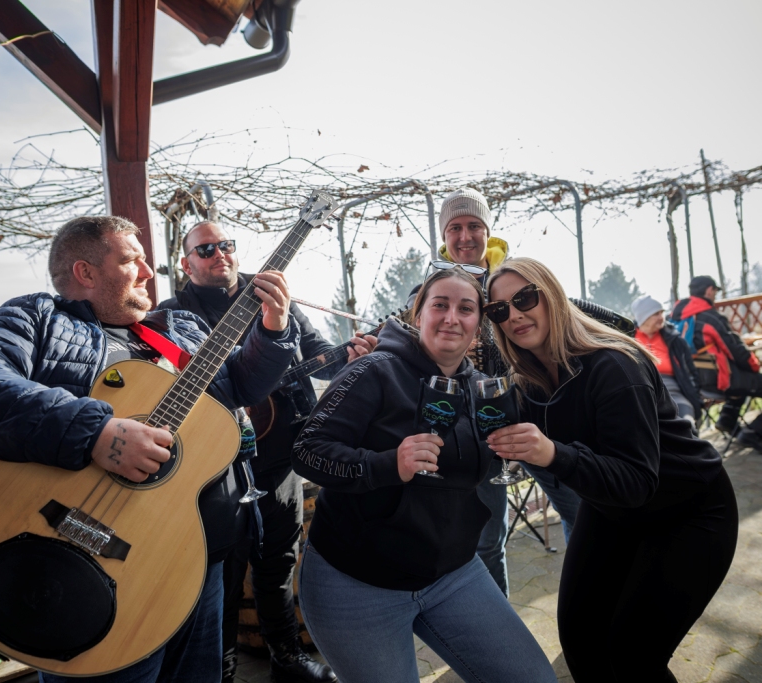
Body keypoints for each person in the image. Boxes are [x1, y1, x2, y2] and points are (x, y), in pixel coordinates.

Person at [0, 215, 300, 683]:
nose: (149, 272)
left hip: (197, 560)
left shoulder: (179, 325)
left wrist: (273, 331)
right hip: (92, 563)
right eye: (131, 260)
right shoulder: (40, 318)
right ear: (85, 273)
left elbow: (238, 385)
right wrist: (97, 433)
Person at [291, 267, 557, 683]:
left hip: (452, 574)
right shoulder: (374, 370)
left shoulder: (482, 389)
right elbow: (307, 452)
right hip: (357, 584)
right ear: (419, 315)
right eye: (440, 305)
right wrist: (386, 464)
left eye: (466, 309)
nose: (452, 317)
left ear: (478, 325)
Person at [484, 258, 738, 683]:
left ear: (553, 297)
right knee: (581, 640)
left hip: (689, 511)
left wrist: (553, 455)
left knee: (633, 656)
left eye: (525, 298)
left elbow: (637, 481)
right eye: (500, 310)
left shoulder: (614, 367)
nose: (514, 315)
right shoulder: (527, 379)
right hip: (612, 509)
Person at [158, 221, 376, 683]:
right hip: (213, 472)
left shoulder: (273, 297)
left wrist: (352, 357)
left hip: (279, 461)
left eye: (227, 245)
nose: (220, 254)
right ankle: (221, 668)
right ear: (186, 262)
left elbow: (319, 352)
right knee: (221, 573)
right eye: (206, 249)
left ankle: (286, 657)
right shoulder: (172, 315)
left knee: (277, 562)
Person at [410, 187, 581, 597]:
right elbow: (418, 343)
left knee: (580, 509)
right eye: (455, 228)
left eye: (473, 226)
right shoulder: (435, 288)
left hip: (536, 414)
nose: (465, 236)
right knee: (488, 541)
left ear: (488, 230)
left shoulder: (513, 280)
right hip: (476, 430)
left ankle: (590, 601)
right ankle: (499, 633)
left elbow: (556, 320)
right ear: (444, 236)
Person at [671, 275, 762, 455]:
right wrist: (754, 367)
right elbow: (737, 351)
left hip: (694, 382)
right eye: (715, 291)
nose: (715, 295)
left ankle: (727, 421)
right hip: (721, 381)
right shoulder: (710, 318)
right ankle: (754, 433)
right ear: (708, 290)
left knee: (743, 382)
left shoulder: (673, 318)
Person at [631, 295, 702, 422]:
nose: (661, 317)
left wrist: (694, 395)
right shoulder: (629, 339)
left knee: (687, 421)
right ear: (643, 318)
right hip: (642, 393)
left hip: (673, 392)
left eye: (662, 312)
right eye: (656, 314)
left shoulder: (674, 339)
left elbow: (691, 372)